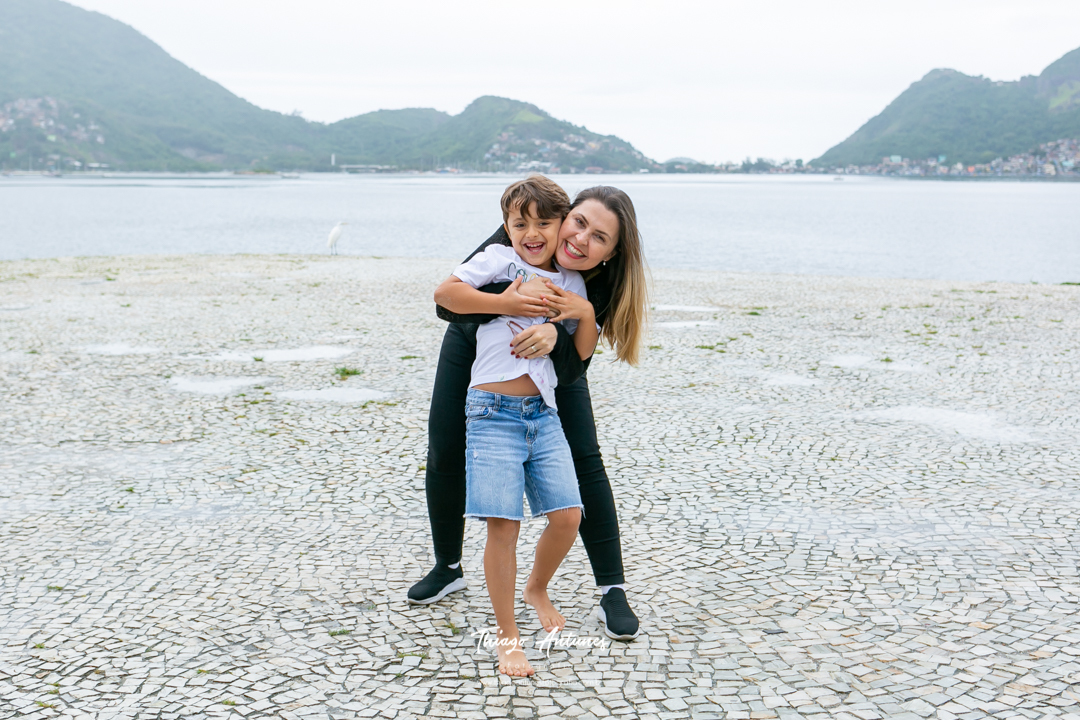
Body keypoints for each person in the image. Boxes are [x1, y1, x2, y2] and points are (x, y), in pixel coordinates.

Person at [410, 183, 648, 644]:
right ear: (566, 215)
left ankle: (611, 588)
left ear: (612, 253)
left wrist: (556, 334)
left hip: (554, 367)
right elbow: (448, 304)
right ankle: (448, 565)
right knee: (444, 446)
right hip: (474, 338)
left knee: (585, 457)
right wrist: (511, 305)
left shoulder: (592, 283)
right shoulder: (525, 227)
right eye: (578, 223)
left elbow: (578, 363)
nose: (580, 239)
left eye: (600, 237)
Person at [433, 175, 598, 676]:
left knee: (568, 516)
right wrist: (507, 302)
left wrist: (582, 313)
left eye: (544, 222)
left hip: (542, 415)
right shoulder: (498, 261)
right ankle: (508, 637)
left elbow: (581, 354)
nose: (531, 232)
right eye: (519, 222)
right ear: (506, 226)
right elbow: (446, 294)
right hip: (489, 412)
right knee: (503, 527)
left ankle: (536, 588)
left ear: (561, 225)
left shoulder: (571, 283)